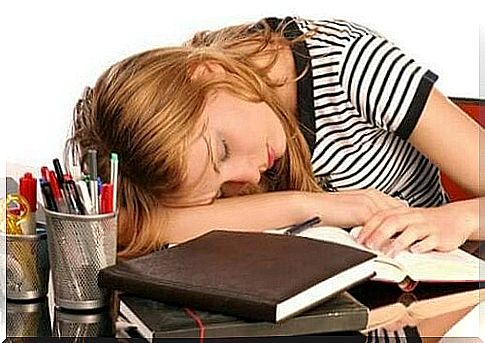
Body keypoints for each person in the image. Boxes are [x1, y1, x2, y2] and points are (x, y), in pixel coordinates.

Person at [66, 16, 482, 260]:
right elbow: (138, 227)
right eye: (220, 188)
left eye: (224, 150)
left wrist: (456, 219)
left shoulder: (351, 67)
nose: (246, 178)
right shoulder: (192, 132)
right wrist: (307, 205)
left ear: (209, 73)